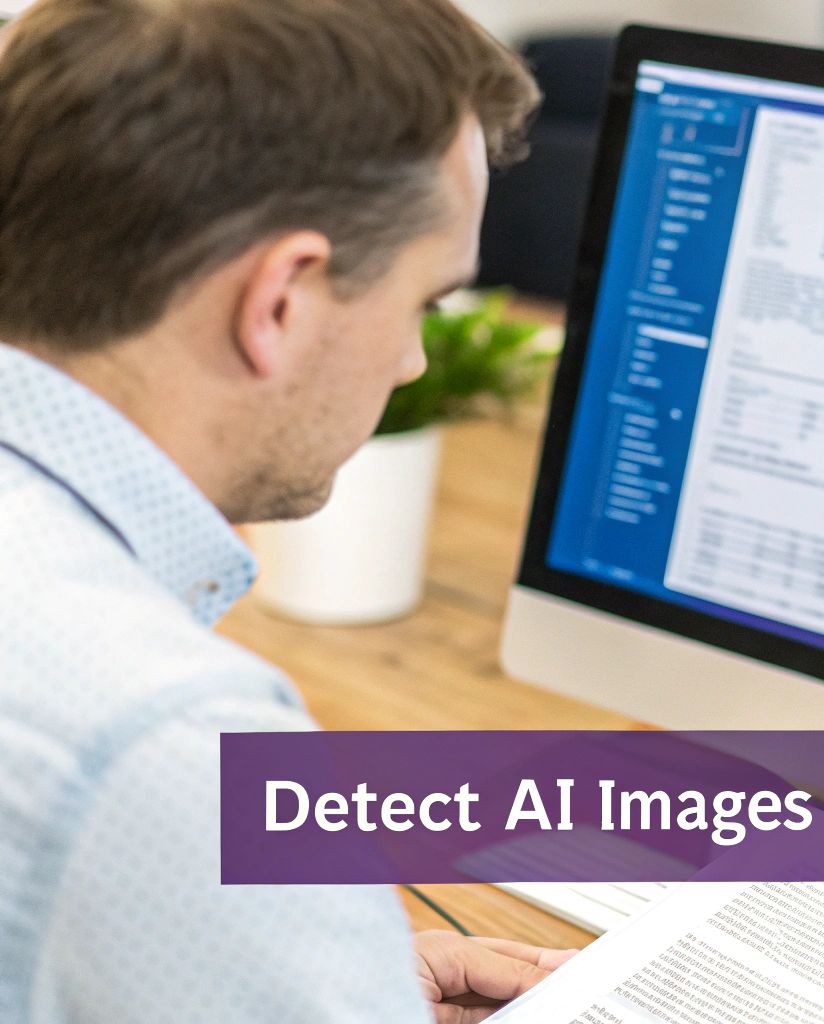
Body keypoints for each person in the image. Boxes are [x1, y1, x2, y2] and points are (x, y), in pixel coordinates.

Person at [0, 1, 579, 1020]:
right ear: (281, 301)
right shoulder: (174, 747)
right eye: (423, 305)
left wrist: (305, 967)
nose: (409, 361)